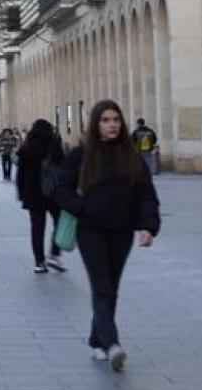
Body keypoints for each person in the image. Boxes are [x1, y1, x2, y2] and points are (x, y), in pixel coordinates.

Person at [56, 100, 160, 372]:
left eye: (115, 119)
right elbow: (61, 190)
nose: (112, 125)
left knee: (111, 287)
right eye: (105, 120)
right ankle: (112, 344)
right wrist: (83, 209)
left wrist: (148, 226)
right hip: (91, 232)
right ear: (95, 124)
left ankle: (97, 339)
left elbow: (146, 195)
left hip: (121, 231)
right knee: (102, 287)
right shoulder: (81, 156)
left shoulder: (132, 157)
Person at [15, 119, 67, 273]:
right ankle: (54, 254)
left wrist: (21, 193)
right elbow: (63, 169)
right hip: (53, 193)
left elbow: (20, 174)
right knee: (60, 222)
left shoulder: (26, 148)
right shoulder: (54, 146)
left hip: (33, 194)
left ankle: (39, 262)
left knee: (37, 228)